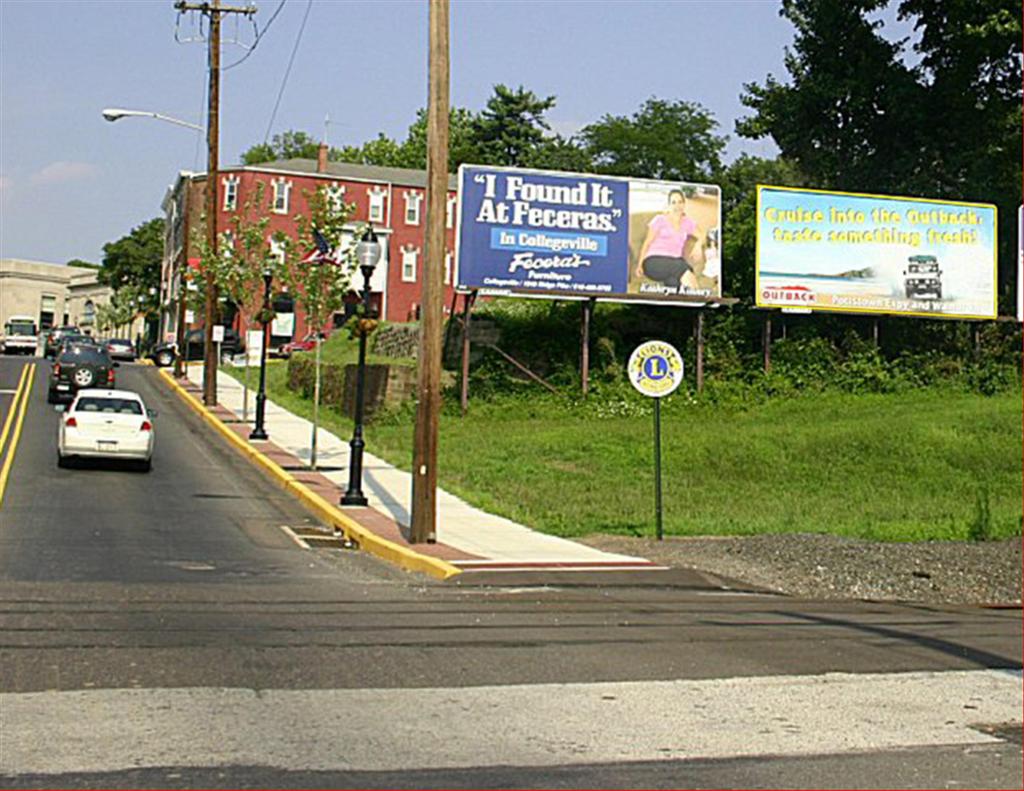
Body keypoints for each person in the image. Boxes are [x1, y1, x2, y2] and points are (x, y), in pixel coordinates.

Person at [634, 189, 700, 292]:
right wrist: (639, 265)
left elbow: (702, 234)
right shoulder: (659, 219)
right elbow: (647, 243)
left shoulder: (688, 222)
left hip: (674, 263)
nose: (677, 206)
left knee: (674, 282)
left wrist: (698, 245)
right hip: (654, 262)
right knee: (683, 267)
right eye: (673, 202)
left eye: (680, 202)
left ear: (684, 204)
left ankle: (677, 303)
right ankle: (698, 298)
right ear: (669, 205)